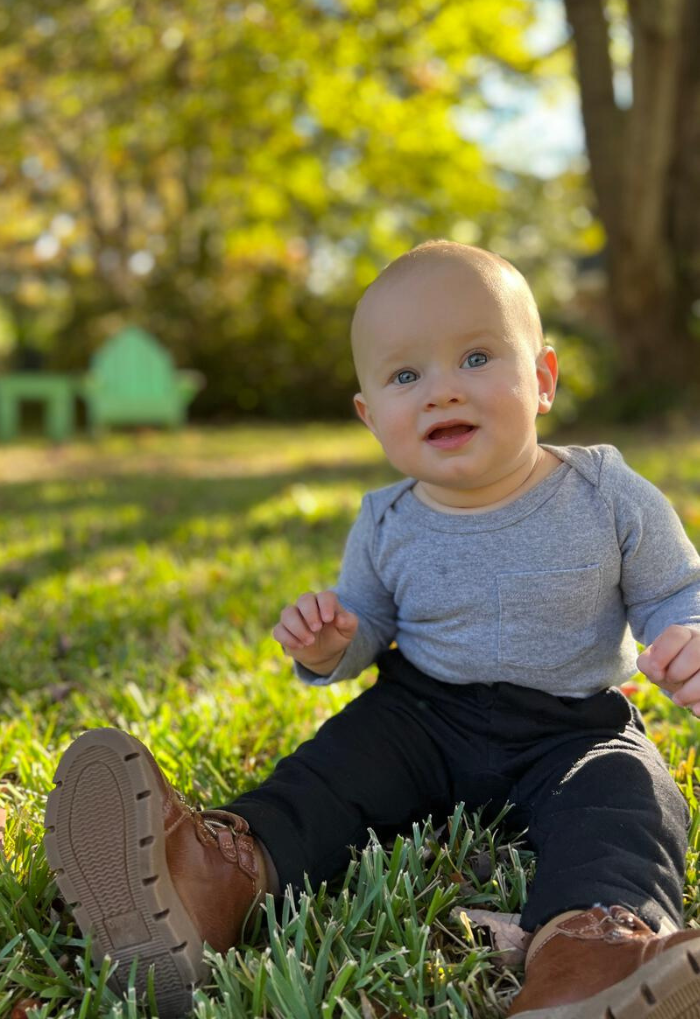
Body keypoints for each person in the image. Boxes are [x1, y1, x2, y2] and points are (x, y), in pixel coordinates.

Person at [44, 241, 700, 1019]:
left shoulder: (607, 492)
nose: (441, 392)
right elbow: (367, 628)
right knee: (325, 779)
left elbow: (675, 589)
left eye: (477, 357)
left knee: (630, 801)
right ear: (370, 415)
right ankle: (213, 880)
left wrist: (686, 631)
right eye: (405, 376)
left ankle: (590, 954)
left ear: (544, 379)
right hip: (419, 715)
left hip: (573, 724)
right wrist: (331, 645)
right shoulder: (385, 521)